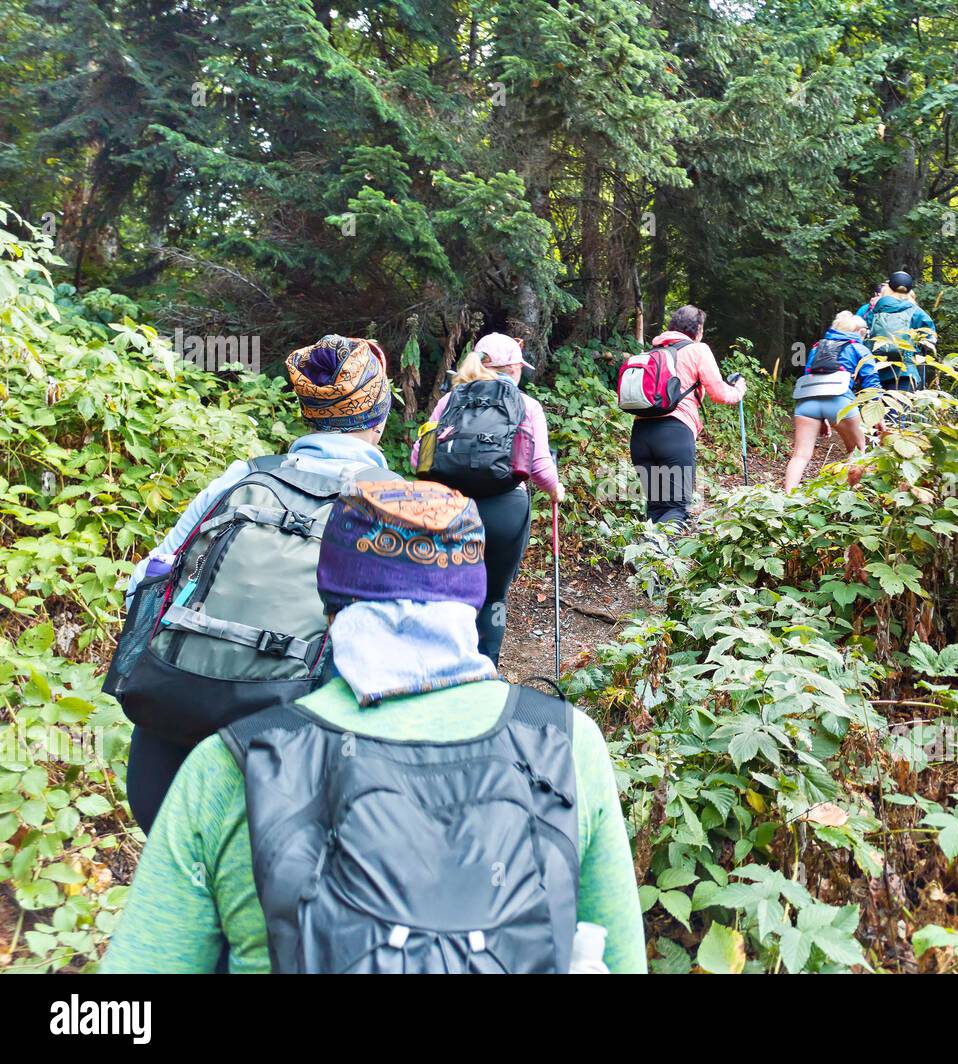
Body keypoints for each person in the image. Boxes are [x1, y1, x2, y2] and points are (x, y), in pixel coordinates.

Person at [100, 479, 646, 974]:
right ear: (470, 600)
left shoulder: (232, 764)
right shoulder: (568, 743)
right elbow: (619, 957)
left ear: (330, 603)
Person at [119, 334, 392, 834]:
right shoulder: (396, 505)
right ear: (379, 416)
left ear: (308, 412)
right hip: (287, 773)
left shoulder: (242, 478)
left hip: (165, 757)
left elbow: (147, 580)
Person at [409, 333, 562, 665]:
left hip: (450, 509)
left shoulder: (449, 401)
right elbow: (538, 465)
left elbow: (417, 458)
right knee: (494, 597)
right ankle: (486, 671)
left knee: (449, 593)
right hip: (505, 510)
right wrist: (555, 491)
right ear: (510, 369)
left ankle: (445, 667)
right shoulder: (526, 405)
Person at [630, 305, 745, 527]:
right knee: (676, 510)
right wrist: (739, 390)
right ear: (698, 329)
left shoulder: (651, 353)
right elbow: (719, 394)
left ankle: (647, 557)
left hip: (641, 435)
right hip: (675, 435)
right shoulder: (697, 350)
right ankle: (658, 556)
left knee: (656, 507)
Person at [783, 312, 882, 491]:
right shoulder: (859, 348)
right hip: (840, 402)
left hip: (807, 403)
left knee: (800, 455)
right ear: (860, 332)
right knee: (859, 450)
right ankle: (851, 495)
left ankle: (787, 497)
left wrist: (821, 418)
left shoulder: (817, 346)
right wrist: (878, 415)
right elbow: (871, 383)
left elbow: (809, 375)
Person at [857, 271, 937, 391]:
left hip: (874, 371)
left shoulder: (873, 310)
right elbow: (930, 339)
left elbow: (860, 336)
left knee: (875, 407)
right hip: (905, 371)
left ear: (887, 288)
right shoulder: (916, 311)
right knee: (899, 408)